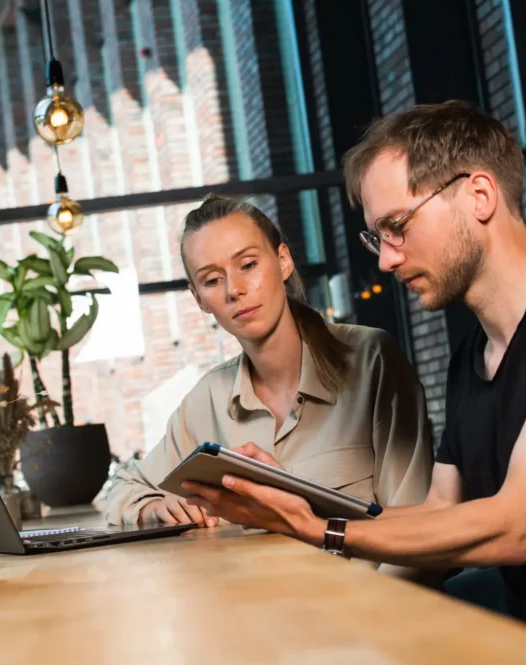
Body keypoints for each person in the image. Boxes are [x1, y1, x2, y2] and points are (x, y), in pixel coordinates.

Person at [181, 102, 526, 665]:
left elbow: (514, 528)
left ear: (479, 195)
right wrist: (289, 503)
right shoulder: (473, 355)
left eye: (397, 226)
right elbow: (440, 511)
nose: (387, 260)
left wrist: (318, 528)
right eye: (378, 237)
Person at [103, 194, 434, 533]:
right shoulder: (209, 399)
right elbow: (121, 491)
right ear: (198, 298)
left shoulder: (371, 360)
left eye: (248, 265)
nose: (235, 290)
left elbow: (416, 532)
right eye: (212, 280)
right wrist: (155, 509)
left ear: (283, 261)